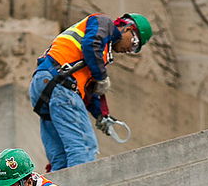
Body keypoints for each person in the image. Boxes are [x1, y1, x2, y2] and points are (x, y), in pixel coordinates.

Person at [29, 13, 153, 171]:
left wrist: (102, 115)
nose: (130, 50)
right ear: (128, 29)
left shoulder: (100, 53)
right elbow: (90, 45)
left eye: (135, 50)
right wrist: (101, 76)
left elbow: (89, 91)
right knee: (85, 146)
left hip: (45, 84)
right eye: (134, 43)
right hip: (61, 84)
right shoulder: (103, 24)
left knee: (61, 159)